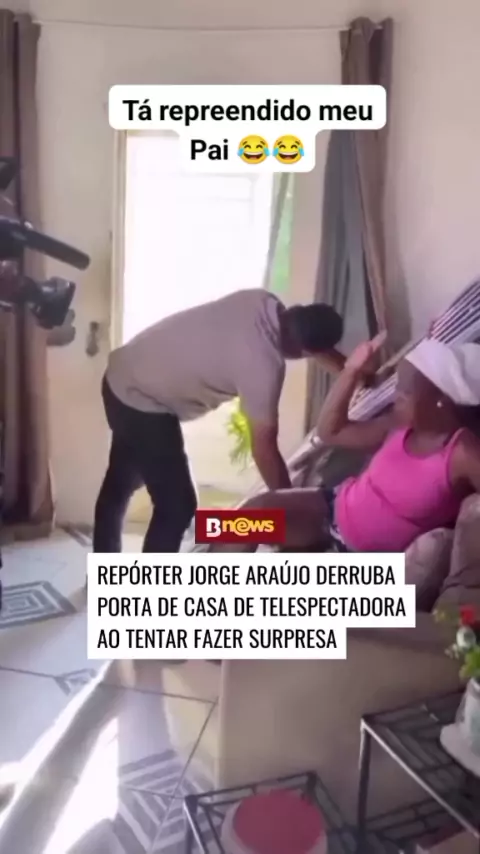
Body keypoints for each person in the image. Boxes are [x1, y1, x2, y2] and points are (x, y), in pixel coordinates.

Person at [93, 289, 346, 553]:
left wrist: (351, 370)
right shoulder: (263, 364)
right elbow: (264, 449)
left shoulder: (261, 301)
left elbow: (306, 336)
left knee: (120, 482)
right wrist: (292, 508)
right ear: (304, 351)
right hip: (142, 400)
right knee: (177, 505)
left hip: (120, 375)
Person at [231, 334, 480, 552]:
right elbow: (331, 432)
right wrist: (351, 370)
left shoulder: (462, 453)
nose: (396, 396)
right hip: (330, 510)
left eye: (406, 392)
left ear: (441, 400)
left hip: (357, 554)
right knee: (238, 522)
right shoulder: (399, 426)